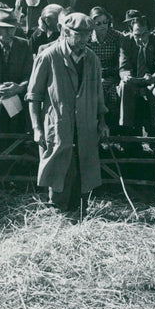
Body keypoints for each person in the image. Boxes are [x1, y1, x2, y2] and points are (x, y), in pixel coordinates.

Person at [26, 12, 108, 217]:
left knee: (84, 164)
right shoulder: (48, 57)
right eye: (78, 35)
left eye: (87, 35)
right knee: (60, 165)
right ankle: (56, 212)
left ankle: (80, 211)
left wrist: (102, 121)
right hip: (59, 122)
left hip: (86, 123)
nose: (83, 40)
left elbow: (98, 95)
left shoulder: (92, 59)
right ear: (64, 32)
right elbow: (34, 96)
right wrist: (37, 128)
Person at [118, 14, 155, 154]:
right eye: (136, 35)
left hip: (153, 80)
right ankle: (126, 131)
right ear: (131, 32)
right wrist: (127, 76)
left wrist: (153, 77)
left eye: (144, 34)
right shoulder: (126, 42)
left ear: (150, 31)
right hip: (134, 80)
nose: (140, 39)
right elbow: (123, 67)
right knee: (124, 86)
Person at [86, 6, 126, 134]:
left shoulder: (117, 37)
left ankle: (114, 129)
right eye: (98, 23)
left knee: (114, 94)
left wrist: (111, 72)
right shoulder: (88, 39)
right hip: (94, 76)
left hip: (114, 75)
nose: (103, 26)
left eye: (105, 22)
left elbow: (122, 60)